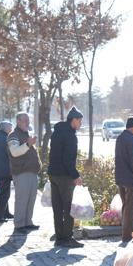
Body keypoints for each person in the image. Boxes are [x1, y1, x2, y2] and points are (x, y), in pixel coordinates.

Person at [48, 106, 84, 248]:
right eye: (79, 121)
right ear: (73, 120)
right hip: (64, 176)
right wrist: (75, 176)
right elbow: (68, 160)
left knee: (57, 208)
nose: (80, 124)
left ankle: (59, 237)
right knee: (69, 208)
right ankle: (67, 238)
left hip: (53, 174)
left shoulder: (57, 132)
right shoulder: (70, 136)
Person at [7, 112, 41, 233]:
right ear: (18, 121)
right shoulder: (13, 135)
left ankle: (28, 222)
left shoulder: (26, 134)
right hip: (21, 173)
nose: (28, 123)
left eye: (28, 120)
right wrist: (28, 144)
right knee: (22, 199)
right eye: (25, 120)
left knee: (31, 199)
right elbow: (15, 152)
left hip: (32, 173)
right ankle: (19, 224)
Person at [114, 116, 133, 243]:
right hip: (131, 179)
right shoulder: (132, 140)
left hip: (120, 177)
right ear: (132, 127)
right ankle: (127, 237)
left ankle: (131, 233)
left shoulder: (121, 137)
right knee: (130, 207)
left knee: (126, 206)